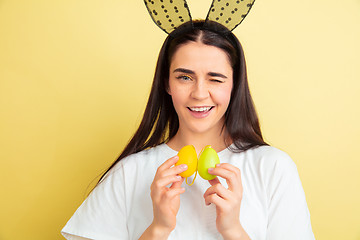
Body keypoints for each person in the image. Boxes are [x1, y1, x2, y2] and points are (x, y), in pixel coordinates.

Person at [61, 19, 315, 240]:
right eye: (185, 77)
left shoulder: (273, 167)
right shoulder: (130, 172)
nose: (199, 93)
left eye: (215, 78)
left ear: (235, 85)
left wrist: (233, 230)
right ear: (167, 83)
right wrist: (159, 228)